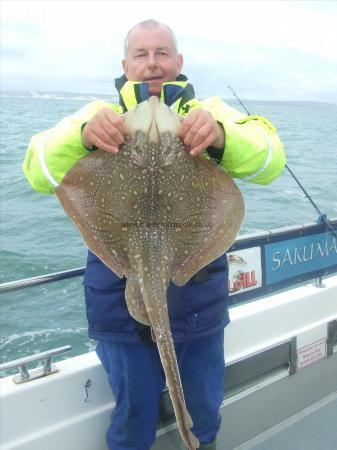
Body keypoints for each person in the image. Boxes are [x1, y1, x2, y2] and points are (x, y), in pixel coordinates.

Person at [23, 19, 286, 450]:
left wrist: (221, 138)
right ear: (126, 64)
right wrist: (82, 136)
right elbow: (36, 168)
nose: (152, 63)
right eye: (141, 54)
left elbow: (271, 158)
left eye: (161, 53)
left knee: (203, 410)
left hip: (200, 298)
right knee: (133, 417)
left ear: (178, 62)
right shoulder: (94, 116)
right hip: (117, 293)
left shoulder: (210, 112)